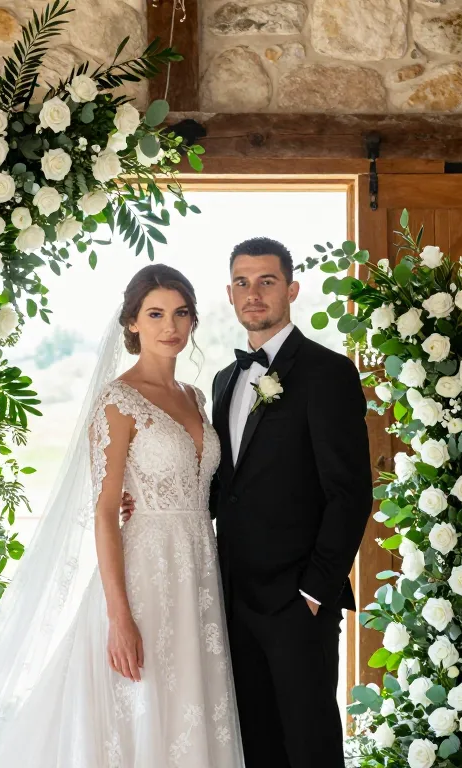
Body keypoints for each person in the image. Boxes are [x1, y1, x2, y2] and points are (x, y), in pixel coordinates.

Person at [0, 264, 245, 768]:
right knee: (138, 708)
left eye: (180, 313)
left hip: (198, 571)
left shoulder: (194, 397)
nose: (170, 326)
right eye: (155, 314)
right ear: (131, 323)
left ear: (193, 321)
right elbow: (106, 513)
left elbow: (200, 489)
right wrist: (119, 617)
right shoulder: (118, 401)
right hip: (143, 574)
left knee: (191, 703)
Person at [125, 237, 372, 768]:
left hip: (297, 601)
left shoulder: (328, 373)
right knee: (252, 743)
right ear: (229, 293)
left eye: (267, 281)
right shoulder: (222, 380)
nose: (253, 293)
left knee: (310, 745)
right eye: (242, 282)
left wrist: (314, 590)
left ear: (291, 289)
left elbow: (350, 494)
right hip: (228, 595)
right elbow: (223, 486)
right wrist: (145, 499)